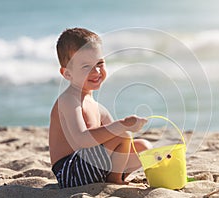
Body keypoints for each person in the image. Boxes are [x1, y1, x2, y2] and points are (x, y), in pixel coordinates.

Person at [49, 27, 151, 188]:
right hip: (70, 172)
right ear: (67, 74)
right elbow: (81, 139)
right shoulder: (69, 100)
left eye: (100, 63)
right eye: (86, 67)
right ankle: (115, 180)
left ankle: (111, 176)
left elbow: (119, 144)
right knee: (122, 132)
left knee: (144, 148)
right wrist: (123, 125)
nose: (96, 71)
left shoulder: (98, 108)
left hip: (91, 167)